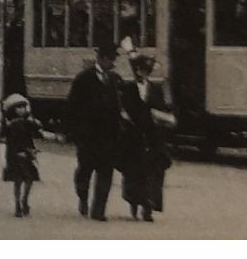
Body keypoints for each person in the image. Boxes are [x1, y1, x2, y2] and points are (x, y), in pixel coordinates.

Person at [65, 42, 123, 221]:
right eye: (111, 60)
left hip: (108, 136)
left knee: (106, 173)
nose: (113, 64)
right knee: (85, 170)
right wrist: (73, 133)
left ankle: (99, 211)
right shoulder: (83, 78)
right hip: (87, 136)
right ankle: (83, 197)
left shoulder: (115, 79)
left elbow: (119, 106)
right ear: (102, 59)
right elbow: (71, 106)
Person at [118, 53, 174, 222]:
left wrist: (163, 117)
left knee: (154, 173)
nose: (144, 74)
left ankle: (148, 207)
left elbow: (164, 109)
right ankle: (134, 204)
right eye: (141, 71)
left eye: (147, 71)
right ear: (136, 71)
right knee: (134, 173)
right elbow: (124, 110)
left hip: (153, 137)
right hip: (134, 138)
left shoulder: (155, 89)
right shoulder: (128, 88)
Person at [0, 93, 45, 218]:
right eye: (18, 107)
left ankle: (24, 200)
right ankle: (18, 204)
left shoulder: (26, 122)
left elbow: (38, 129)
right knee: (19, 180)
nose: (21, 110)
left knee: (29, 179)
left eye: (23, 107)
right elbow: (5, 140)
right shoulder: (10, 124)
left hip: (26, 153)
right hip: (16, 155)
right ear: (12, 109)